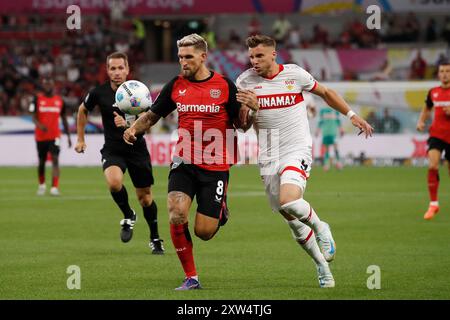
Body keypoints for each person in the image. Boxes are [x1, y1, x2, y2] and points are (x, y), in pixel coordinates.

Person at [236, 35, 373, 288]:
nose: (254, 61)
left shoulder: (295, 75)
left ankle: (321, 227)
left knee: (289, 200)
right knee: (292, 219)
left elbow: (325, 92)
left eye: (260, 56)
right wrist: (252, 109)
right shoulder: (244, 82)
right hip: (268, 156)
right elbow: (242, 127)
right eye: (251, 56)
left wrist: (351, 115)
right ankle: (322, 266)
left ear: (274, 55)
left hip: (296, 148)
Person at [123, 34, 258, 290]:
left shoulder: (224, 86)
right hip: (184, 161)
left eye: (188, 57)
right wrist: (133, 129)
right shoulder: (176, 84)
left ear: (203, 56)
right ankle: (192, 277)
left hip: (216, 165)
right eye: (180, 57)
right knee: (176, 213)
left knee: (204, 232)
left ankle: (220, 209)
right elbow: (153, 115)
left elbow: (241, 125)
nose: (183, 62)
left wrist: (252, 111)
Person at [74, 52, 164, 254]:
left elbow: (148, 121)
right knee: (114, 183)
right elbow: (82, 110)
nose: (116, 72)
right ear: (107, 70)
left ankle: (155, 237)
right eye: (112, 68)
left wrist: (129, 124)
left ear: (127, 69)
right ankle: (128, 214)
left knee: (146, 198)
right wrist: (80, 139)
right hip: (113, 149)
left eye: (120, 68)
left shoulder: (139, 91)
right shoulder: (99, 93)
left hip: (137, 150)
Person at [416, 61, 450, 220]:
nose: (444, 74)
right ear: (438, 74)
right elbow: (427, 108)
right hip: (436, 134)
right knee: (432, 165)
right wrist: (421, 121)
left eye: (447, 71)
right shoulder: (433, 92)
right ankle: (433, 204)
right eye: (442, 71)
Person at [30, 77, 72, 196]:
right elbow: (33, 116)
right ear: (43, 86)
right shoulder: (37, 99)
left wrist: (68, 136)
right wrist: (40, 125)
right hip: (41, 136)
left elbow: (64, 119)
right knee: (42, 161)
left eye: (49, 84)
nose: (47, 86)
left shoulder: (60, 100)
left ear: (53, 86)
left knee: (55, 159)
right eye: (45, 84)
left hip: (55, 136)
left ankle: (54, 187)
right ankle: (42, 185)